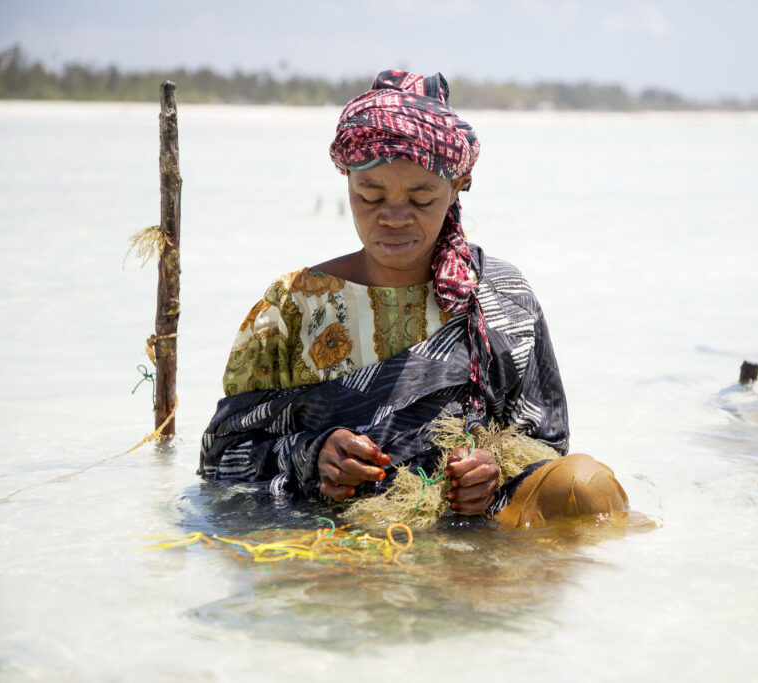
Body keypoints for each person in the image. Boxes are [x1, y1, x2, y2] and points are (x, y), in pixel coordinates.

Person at [199, 70, 627, 528]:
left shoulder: (502, 297)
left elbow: (548, 442)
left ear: (458, 184)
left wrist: (493, 469)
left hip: (470, 545)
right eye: (370, 196)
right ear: (347, 182)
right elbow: (218, 460)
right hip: (332, 543)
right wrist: (311, 456)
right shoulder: (294, 308)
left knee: (586, 487)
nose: (395, 219)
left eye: (422, 198)